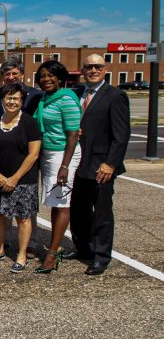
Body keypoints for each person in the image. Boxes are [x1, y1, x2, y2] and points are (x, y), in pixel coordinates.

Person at [67, 54, 130, 275]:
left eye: (97, 67)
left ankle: (101, 256)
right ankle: (83, 248)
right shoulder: (76, 93)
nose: (93, 70)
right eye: (88, 67)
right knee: (78, 211)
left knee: (102, 213)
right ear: (82, 71)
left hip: (101, 165)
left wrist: (110, 163)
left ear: (105, 70)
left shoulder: (115, 96)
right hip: (79, 164)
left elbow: (121, 135)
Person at [0, 58, 42, 259]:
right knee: (0, 206)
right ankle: (2, 243)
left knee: (25, 209)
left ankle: (29, 245)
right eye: (7, 74)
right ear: (1, 76)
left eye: (14, 73)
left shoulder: (35, 95)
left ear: (21, 74)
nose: (11, 77)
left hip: (24, 155)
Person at [32, 60, 82, 273]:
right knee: (55, 202)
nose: (46, 79)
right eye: (42, 76)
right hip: (48, 154)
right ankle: (56, 244)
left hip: (63, 155)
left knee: (62, 203)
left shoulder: (67, 100)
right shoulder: (46, 98)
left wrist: (65, 166)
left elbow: (72, 135)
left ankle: (52, 255)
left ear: (60, 78)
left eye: (50, 75)